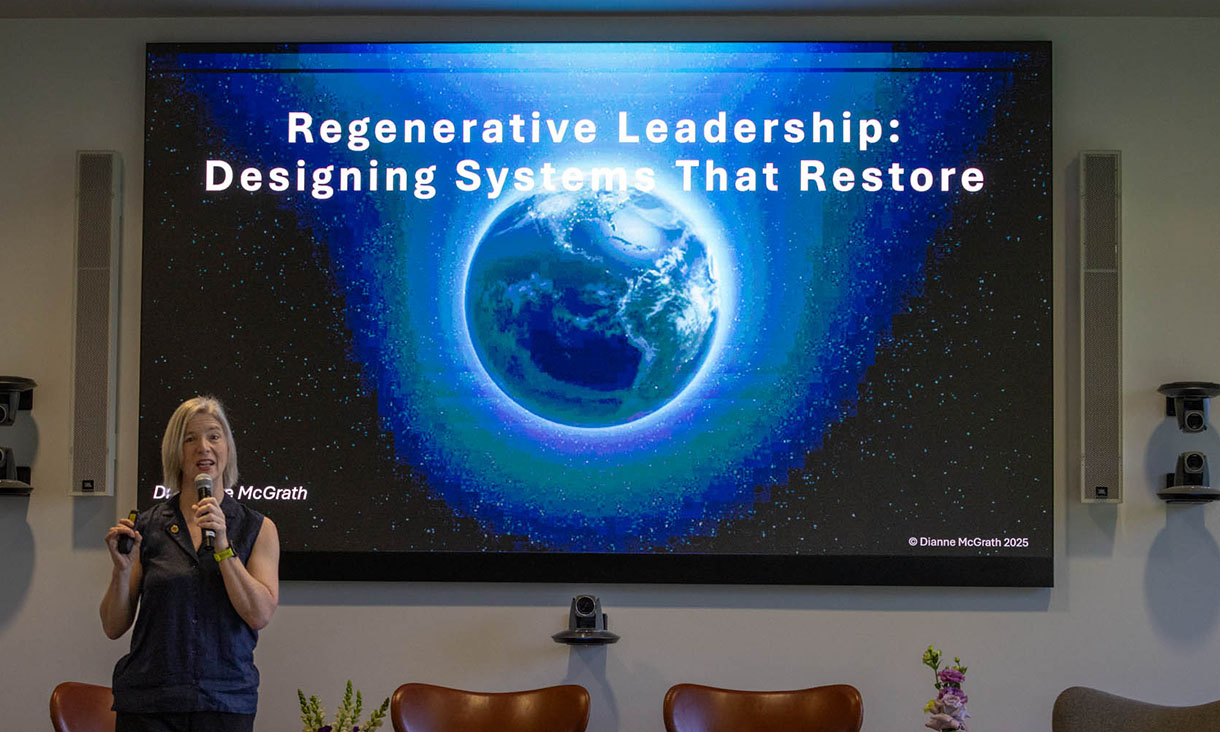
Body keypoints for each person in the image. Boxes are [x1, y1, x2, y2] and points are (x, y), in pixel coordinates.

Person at [101, 396, 279, 732]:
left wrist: (223, 545)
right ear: (176, 452)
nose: (203, 448)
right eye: (190, 439)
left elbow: (259, 614)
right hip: (150, 705)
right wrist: (122, 571)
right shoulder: (147, 526)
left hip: (224, 701)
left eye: (214, 436)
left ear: (227, 448)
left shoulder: (258, 528)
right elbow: (112, 626)